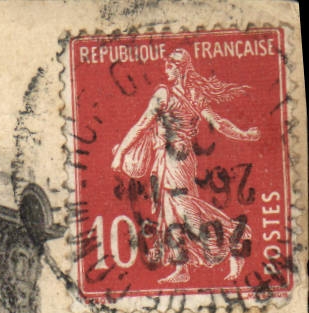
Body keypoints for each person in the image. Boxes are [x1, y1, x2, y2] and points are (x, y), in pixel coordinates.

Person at [110, 48, 260, 284]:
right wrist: (244, 134)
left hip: (175, 159)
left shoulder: (166, 94)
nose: (166, 70)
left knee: (185, 211)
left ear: (179, 68)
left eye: (169, 66)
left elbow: (141, 125)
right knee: (169, 214)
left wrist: (120, 154)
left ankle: (235, 237)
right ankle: (181, 268)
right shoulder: (192, 95)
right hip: (169, 159)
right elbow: (218, 123)